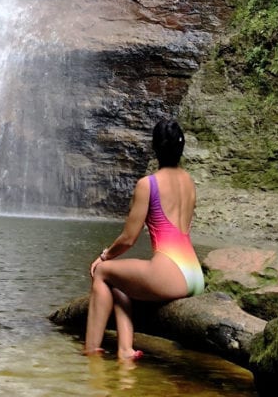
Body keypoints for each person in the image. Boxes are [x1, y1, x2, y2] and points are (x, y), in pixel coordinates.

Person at [84, 117, 205, 359]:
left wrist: (103, 257)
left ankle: (90, 351)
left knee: (103, 272)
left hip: (169, 274)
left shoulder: (148, 184)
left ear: (155, 147)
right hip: (194, 274)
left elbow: (129, 238)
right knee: (119, 283)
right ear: (181, 148)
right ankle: (125, 350)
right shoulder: (189, 182)